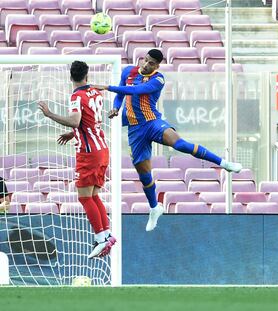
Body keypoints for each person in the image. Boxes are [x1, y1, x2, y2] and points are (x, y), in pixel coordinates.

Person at [92, 49, 242, 232]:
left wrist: (107, 87)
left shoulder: (158, 79)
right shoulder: (128, 72)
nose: (146, 65)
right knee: (143, 173)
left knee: (179, 144)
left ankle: (224, 163)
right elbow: (121, 95)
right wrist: (116, 108)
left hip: (152, 123)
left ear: (157, 66)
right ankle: (155, 208)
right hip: (135, 130)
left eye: (151, 63)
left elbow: (137, 90)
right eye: (145, 61)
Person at [38, 60, 115, 259]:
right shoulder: (95, 93)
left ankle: (100, 239)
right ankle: (106, 233)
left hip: (88, 152)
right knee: (93, 195)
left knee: (84, 197)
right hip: (102, 149)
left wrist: (49, 114)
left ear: (70, 77)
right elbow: (89, 121)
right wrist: (74, 134)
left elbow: (75, 120)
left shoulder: (76, 96)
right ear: (87, 76)